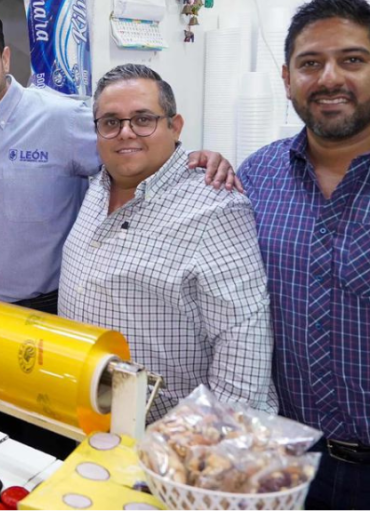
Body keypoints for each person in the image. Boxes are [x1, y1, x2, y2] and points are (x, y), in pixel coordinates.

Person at [237, 0, 370, 510]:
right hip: (287, 460)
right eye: (310, 63)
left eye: (351, 60)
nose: (328, 79)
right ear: (287, 80)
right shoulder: (258, 175)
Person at [0, 5, 240, 315]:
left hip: (48, 310)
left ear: (5, 58)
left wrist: (194, 157)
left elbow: (134, 151)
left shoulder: (60, 118)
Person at [58, 64, 277, 421]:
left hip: (167, 434)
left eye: (143, 119)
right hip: (90, 416)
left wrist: (207, 449)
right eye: (110, 122)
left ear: (174, 127)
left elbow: (242, 345)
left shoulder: (216, 206)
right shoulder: (96, 187)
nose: (125, 133)